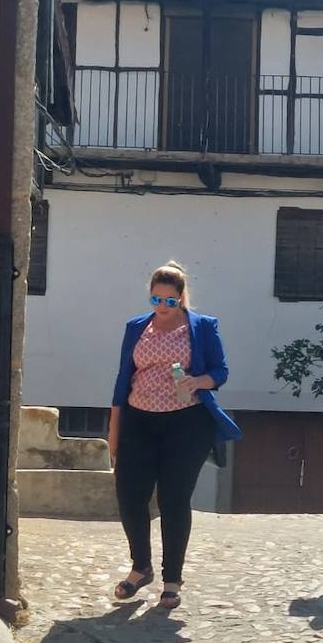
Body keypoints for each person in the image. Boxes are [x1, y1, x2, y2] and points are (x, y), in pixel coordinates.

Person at [109, 261, 241, 610]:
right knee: (130, 495)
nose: (162, 307)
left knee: (174, 499)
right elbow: (123, 378)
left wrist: (199, 381)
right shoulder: (137, 327)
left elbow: (221, 371)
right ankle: (141, 567)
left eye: (170, 301)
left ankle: (172, 580)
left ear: (181, 298)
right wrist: (114, 428)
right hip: (139, 420)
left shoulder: (203, 326)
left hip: (187, 423)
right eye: (156, 299)